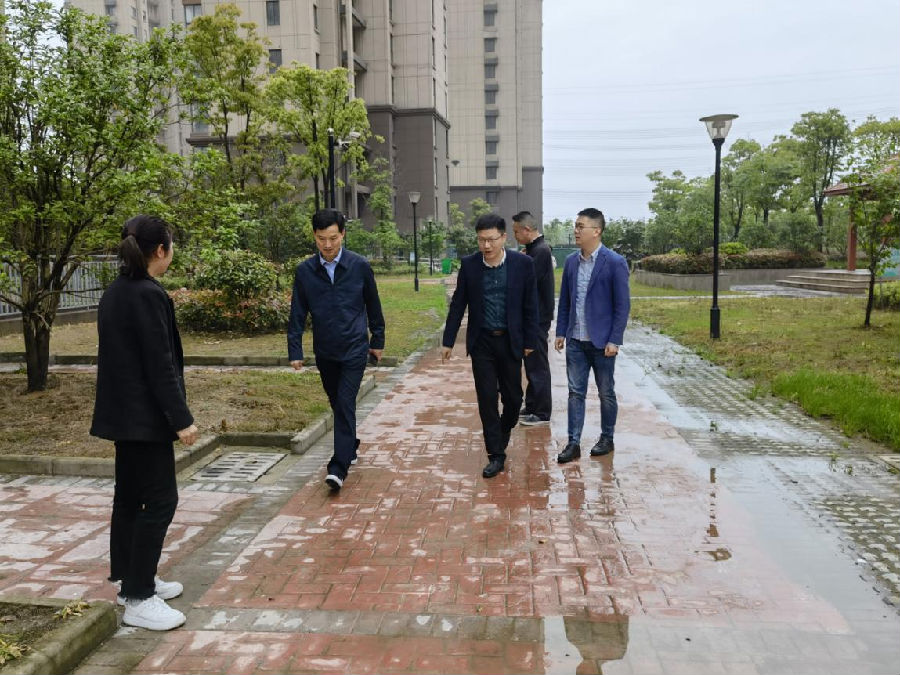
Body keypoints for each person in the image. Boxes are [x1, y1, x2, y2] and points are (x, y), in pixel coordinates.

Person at [91, 214, 199, 631]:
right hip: (146, 419)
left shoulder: (116, 291)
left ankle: (129, 580)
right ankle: (139, 597)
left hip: (122, 416)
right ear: (160, 250)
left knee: (128, 499)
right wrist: (181, 419)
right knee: (160, 502)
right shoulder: (149, 294)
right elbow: (160, 365)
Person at [288, 208, 385, 491]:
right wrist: (295, 350)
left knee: (344, 402)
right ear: (314, 237)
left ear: (343, 234)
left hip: (355, 348)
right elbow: (297, 313)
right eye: (322, 239)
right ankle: (350, 443)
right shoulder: (305, 271)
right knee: (337, 402)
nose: (328, 245)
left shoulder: (359, 266)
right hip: (325, 351)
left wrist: (377, 341)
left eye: (333, 238)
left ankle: (338, 467)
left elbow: (373, 304)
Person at [442, 213, 539, 478]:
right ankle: (495, 454)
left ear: (504, 237)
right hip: (482, 341)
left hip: (510, 340)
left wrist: (530, 340)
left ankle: (503, 429)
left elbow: (531, 305)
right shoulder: (470, 265)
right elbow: (458, 304)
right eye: (481, 240)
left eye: (491, 240)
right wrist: (448, 341)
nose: (486, 245)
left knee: (513, 398)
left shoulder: (522, 264)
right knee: (486, 399)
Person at [554, 208, 630, 463]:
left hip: (602, 343)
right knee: (575, 393)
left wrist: (615, 339)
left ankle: (607, 438)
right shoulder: (571, 262)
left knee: (606, 392)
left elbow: (622, 306)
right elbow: (565, 300)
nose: (576, 231)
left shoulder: (615, 262)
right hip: (576, 340)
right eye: (575, 226)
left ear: (596, 231)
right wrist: (561, 331)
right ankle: (573, 442)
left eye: (580, 226)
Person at [512, 211, 554, 425]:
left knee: (537, 365)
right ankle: (532, 404)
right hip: (531, 317)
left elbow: (525, 280)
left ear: (527, 230)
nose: (515, 236)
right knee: (531, 364)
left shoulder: (541, 251)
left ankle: (542, 412)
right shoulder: (533, 249)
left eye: (516, 231)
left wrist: (520, 260)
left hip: (537, 318)